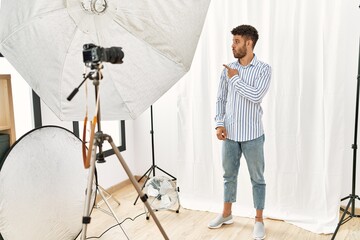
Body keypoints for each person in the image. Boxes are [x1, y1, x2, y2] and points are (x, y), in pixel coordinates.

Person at [208, 24, 271, 240]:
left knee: (257, 179)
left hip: (253, 134)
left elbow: (255, 96)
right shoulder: (228, 69)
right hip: (230, 135)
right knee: (228, 176)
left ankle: (259, 220)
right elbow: (220, 99)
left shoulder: (264, 69)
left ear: (249, 43)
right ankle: (226, 214)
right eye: (232, 41)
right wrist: (219, 123)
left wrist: (235, 77)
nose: (232, 45)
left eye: (236, 41)